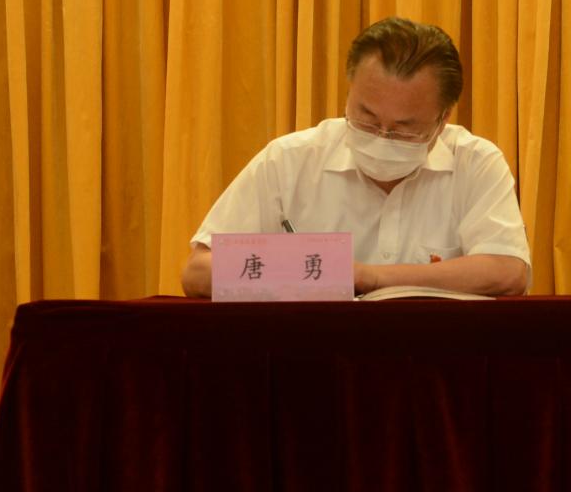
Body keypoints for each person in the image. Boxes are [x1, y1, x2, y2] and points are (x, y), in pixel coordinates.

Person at [181, 17, 531, 298]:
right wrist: (313, 270)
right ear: (349, 92)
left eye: (404, 129)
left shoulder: (475, 162)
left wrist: (371, 277)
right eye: (367, 117)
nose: (382, 137)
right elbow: (198, 272)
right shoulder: (290, 160)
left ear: (443, 119)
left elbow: (507, 271)